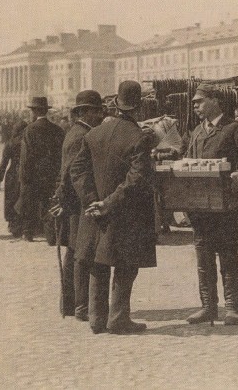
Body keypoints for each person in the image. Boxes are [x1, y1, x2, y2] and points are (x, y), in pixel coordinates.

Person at [71, 81, 156, 334]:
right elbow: (136, 179)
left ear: (116, 104)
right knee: (126, 264)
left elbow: (77, 170)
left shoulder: (94, 134)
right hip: (125, 212)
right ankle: (118, 318)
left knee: (99, 260)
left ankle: (97, 318)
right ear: (139, 108)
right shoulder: (138, 138)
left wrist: (92, 201)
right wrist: (108, 204)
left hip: (95, 212)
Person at [185, 83, 238, 326]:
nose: (195, 105)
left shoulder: (234, 129)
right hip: (200, 208)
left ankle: (232, 307)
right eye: (194, 102)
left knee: (228, 256)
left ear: (215, 101)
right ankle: (208, 307)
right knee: (203, 258)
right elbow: (188, 162)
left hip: (227, 206)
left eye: (199, 101)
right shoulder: (196, 132)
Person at [49, 90, 105, 321]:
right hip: (76, 204)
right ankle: (77, 305)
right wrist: (66, 200)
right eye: (96, 111)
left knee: (75, 253)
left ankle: (70, 304)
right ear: (84, 112)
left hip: (73, 202)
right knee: (80, 254)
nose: (100, 115)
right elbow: (71, 173)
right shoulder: (81, 136)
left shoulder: (78, 132)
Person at [18, 97, 64, 242]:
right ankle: (50, 234)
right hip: (51, 173)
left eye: (31, 110)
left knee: (30, 203)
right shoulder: (57, 130)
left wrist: (24, 177)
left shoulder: (29, 130)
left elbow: (26, 157)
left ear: (36, 111)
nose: (30, 113)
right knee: (48, 203)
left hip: (33, 174)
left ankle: (28, 232)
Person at [0, 119, 27, 237]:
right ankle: (23, 224)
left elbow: (4, 163)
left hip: (12, 173)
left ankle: (12, 224)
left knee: (11, 198)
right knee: (23, 197)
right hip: (25, 173)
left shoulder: (10, 143)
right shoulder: (28, 142)